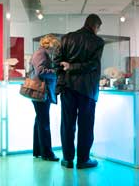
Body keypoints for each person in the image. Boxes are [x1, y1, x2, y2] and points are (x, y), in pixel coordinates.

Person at [54, 14, 104, 169]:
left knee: (67, 124)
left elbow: (57, 62)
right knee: (86, 125)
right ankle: (83, 160)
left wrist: (68, 68)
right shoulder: (98, 42)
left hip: (68, 88)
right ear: (95, 26)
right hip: (87, 90)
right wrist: (74, 67)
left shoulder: (67, 38)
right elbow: (93, 65)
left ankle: (67, 159)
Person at [30, 34, 60, 161]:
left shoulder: (41, 53)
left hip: (40, 92)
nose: (56, 49)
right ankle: (47, 154)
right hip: (41, 92)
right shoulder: (41, 53)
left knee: (40, 121)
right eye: (55, 46)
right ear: (50, 44)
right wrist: (56, 72)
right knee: (44, 123)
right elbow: (40, 71)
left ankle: (38, 150)